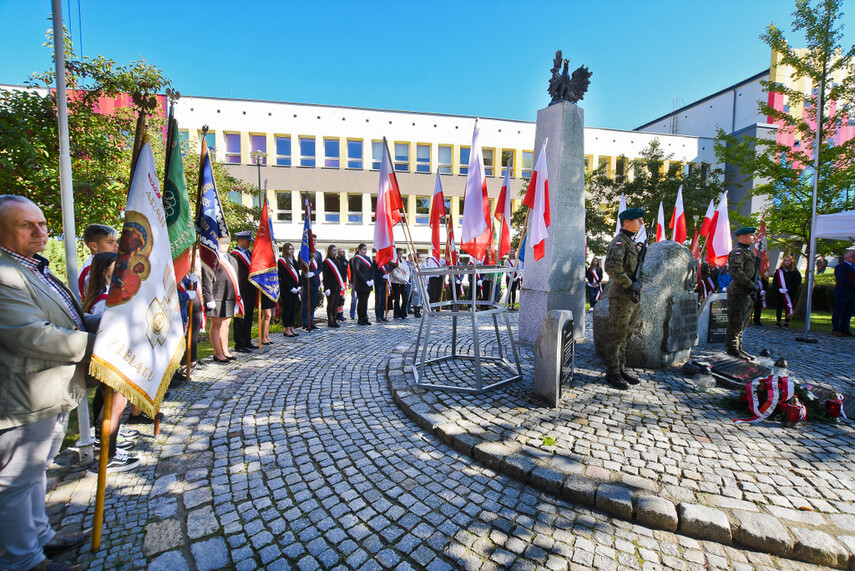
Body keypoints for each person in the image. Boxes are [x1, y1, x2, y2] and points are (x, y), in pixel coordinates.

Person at [0, 195, 99, 571]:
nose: (41, 232)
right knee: (15, 481)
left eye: (42, 223)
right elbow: (32, 335)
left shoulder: (31, 267)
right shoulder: (4, 273)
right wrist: (102, 347)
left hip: (51, 391)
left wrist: (106, 326)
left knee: (37, 470)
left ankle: (41, 536)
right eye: (27, 225)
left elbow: (68, 317)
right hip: (23, 394)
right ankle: (22, 560)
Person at [603, 208, 645, 390]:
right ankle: (612, 372)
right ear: (626, 222)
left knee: (626, 334)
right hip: (621, 296)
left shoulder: (631, 242)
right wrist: (630, 284)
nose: (641, 224)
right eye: (638, 220)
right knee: (617, 335)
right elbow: (612, 267)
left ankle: (621, 368)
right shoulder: (619, 242)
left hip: (630, 296)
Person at [202, 238, 239, 363]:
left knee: (226, 324)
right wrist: (208, 298)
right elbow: (206, 279)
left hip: (229, 295)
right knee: (216, 324)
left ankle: (225, 350)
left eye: (227, 243)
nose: (225, 245)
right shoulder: (211, 258)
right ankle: (217, 353)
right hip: (216, 295)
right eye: (222, 243)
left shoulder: (231, 259)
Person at [726, 227, 758, 358]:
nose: (754, 237)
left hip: (746, 292)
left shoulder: (747, 252)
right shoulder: (738, 252)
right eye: (752, 235)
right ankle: (733, 349)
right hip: (739, 292)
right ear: (743, 236)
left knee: (742, 323)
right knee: (736, 322)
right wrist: (751, 284)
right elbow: (735, 271)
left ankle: (739, 347)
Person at [230, 231, 257, 352]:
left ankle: (247, 340)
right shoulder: (234, 255)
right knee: (240, 317)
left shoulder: (250, 254)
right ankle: (240, 344)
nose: (249, 243)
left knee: (249, 316)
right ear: (240, 240)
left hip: (251, 290)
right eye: (247, 241)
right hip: (241, 290)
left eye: (250, 241)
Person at [77, 223, 118, 295]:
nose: (116, 245)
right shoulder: (92, 269)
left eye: (116, 242)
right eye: (110, 242)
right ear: (94, 246)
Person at [277, 243, 300, 338]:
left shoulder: (294, 261)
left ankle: (291, 326)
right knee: (287, 309)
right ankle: (286, 328)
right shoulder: (281, 261)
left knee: (293, 309)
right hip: (287, 289)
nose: (291, 251)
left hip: (295, 289)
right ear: (285, 250)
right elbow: (283, 276)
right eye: (289, 249)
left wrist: (299, 286)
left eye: (292, 249)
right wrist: (291, 287)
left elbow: (298, 274)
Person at [772, 255, 802, 328]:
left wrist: (788, 289)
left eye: (789, 260)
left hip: (789, 293)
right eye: (786, 260)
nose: (787, 262)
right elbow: (775, 282)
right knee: (779, 307)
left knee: (788, 307)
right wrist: (779, 289)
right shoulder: (779, 271)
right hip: (780, 292)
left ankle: (786, 322)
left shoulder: (795, 271)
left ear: (792, 262)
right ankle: (778, 321)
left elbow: (797, 282)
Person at [832, 249, 855, 337]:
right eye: (852, 256)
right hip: (843, 292)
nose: (854, 258)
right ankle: (836, 329)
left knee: (849, 312)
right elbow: (842, 279)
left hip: (852, 293)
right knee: (839, 311)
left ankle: (845, 329)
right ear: (846, 257)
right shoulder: (841, 267)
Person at [301, 237, 322, 331]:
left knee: (313, 303)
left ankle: (311, 321)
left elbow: (320, 268)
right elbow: (300, 266)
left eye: (315, 241)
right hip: (306, 282)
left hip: (315, 281)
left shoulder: (318, 254)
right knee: (305, 303)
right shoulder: (303, 253)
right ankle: (305, 323)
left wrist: (314, 273)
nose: (314, 242)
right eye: (312, 241)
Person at [351, 243, 374, 325]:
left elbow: (371, 270)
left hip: (368, 283)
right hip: (361, 284)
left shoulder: (368, 258)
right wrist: (365, 281)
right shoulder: (356, 259)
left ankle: (365, 317)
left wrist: (372, 279)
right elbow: (357, 271)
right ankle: (360, 319)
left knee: (365, 301)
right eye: (364, 249)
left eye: (366, 249)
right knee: (361, 302)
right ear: (359, 250)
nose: (365, 251)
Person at [322, 244, 344, 329]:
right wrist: (326, 287)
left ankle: (334, 319)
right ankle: (330, 320)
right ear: (329, 251)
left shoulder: (337, 261)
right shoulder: (326, 262)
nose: (335, 252)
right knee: (330, 303)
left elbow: (340, 274)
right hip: (330, 286)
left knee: (336, 303)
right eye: (334, 250)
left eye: (336, 250)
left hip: (337, 286)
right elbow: (325, 276)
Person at [389, 248, 410, 319]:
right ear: (396, 254)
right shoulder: (393, 262)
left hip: (404, 282)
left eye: (401, 254)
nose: (401, 255)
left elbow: (407, 270)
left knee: (405, 298)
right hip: (396, 282)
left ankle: (403, 313)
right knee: (397, 298)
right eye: (399, 254)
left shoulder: (403, 261)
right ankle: (396, 314)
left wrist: (407, 278)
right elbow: (394, 273)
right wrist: (402, 279)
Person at [372, 252, 389, 323]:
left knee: (383, 300)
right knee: (378, 300)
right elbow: (374, 272)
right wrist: (381, 276)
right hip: (378, 283)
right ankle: (378, 316)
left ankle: (382, 316)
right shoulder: (375, 261)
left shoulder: (385, 262)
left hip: (384, 283)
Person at [335, 248, 349, 320]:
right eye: (341, 251)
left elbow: (348, 271)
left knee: (342, 298)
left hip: (344, 282)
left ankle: (340, 314)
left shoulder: (346, 261)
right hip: (337, 282)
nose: (343, 253)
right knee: (337, 298)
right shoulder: (336, 261)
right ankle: (335, 313)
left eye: (344, 251)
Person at [410, 253, 423, 318]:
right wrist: (414, 286)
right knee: (416, 298)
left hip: (422, 283)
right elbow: (412, 277)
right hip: (416, 283)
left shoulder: (422, 265)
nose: (420, 259)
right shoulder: (413, 266)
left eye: (421, 257)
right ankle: (416, 311)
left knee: (420, 298)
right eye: (419, 257)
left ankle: (419, 310)